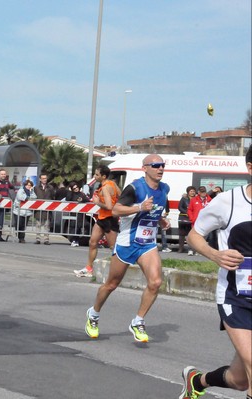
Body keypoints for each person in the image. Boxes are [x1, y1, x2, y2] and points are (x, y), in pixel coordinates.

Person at [179, 145, 251, 399]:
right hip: (236, 298)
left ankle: (197, 382)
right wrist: (216, 254)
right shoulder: (228, 202)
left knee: (240, 380)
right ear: (250, 168)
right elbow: (194, 236)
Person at [85, 154, 170, 343]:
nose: (160, 169)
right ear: (145, 168)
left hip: (147, 243)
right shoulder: (134, 188)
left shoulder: (165, 189)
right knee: (111, 284)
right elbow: (115, 210)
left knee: (155, 282)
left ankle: (138, 321)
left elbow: (155, 210)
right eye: (155, 165)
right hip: (127, 242)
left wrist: (161, 219)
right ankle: (94, 314)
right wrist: (140, 207)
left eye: (162, 165)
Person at [74, 165, 121, 277]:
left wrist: (97, 202)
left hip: (109, 219)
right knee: (92, 242)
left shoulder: (105, 187)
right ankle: (89, 268)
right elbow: (121, 195)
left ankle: (119, 270)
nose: (94, 177)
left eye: (97, 175)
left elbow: (109, 206)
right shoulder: (112, 184)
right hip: (102, 218)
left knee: (113, 247)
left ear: (103, 176)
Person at [65, 182, 90, 247]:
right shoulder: (71, 194)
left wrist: (82, 199)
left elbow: (87, 200)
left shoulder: (82, 194)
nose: (76, 189)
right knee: (73, 227)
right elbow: (68, 199)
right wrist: (70, 192)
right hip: (73, 214)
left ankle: (77, 240)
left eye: (77, 187)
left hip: (81, 214)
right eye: (74, 188)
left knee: (79, 227)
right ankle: (73, 240)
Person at [34, 173, 54, 245]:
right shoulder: (36, 188)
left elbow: (53, 197)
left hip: (47, 209)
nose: (44, 180)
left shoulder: (50, 188)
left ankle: (46, 239)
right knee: (38, 224)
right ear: (40, 179)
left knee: (46, 224)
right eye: (43, 178)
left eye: (45, 178)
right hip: (39, 209)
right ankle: (38, 239)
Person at [12, 179, 35, 244]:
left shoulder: (32, 191)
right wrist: (28, 197)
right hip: (18, 211)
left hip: (27, 212)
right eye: (27, 185)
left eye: (30, 185)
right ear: (25, 185)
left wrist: (31, 193)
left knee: (23, 226)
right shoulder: (21, 190)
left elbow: (35, 197)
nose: (29, 186)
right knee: (19, 224)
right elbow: (20, 197)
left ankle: (21, 238)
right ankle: (18, 232)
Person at [0, 169, 12, 242]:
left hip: (4, 204)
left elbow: (12, 187)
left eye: (4, 174)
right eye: (2, 174)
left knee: (1, 220)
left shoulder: (7, 182)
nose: (3, 175)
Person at [178, 186, 197, 255]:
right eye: (191, 191)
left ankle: (190, 249)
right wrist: (187, 212)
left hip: (192, 218)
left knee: (190, 234)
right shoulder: (184, 198)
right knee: (182, 234)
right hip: (183, 218)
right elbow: (180, 207)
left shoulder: (196, 199)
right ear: (188, 192)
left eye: (194, 191)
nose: (192, 192)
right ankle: (181, 248)